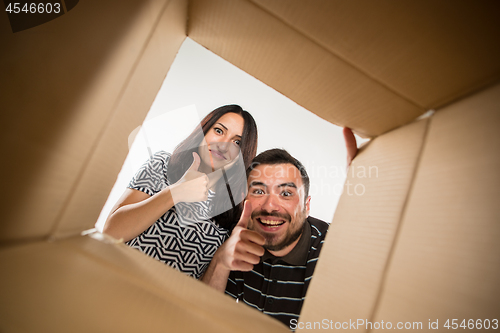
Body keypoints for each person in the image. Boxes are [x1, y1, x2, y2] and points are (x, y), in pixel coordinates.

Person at [201, 130, 358, 328]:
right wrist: (221, 262)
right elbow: (201, 318)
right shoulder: (236, 241)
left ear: (306, 206)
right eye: (258, 191)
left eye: (285, 193)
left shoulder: (335, 246)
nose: (269, 206)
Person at [103, 105, 258, 279]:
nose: (223, 145)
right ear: (204, 131)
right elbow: (111, 232)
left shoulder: (234, 211)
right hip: (114, 280)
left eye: (237, 142)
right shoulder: (162, 165)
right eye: (219, 131)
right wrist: (176, 192)